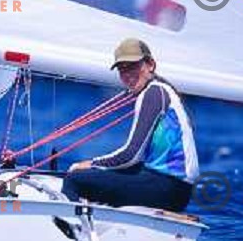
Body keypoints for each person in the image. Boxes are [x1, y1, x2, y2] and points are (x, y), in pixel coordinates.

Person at [62, 38, 199, 212]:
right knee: (94, 177)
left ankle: (71, 230)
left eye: (132, 66)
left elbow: (130, 155)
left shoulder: (154, 92)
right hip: (175, 189)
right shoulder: (162, 90)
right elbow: (138, 159)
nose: (127, 75)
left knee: (75, 179)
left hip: (168, 188)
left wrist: (92, 164)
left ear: (150, 64)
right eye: (122, 69)